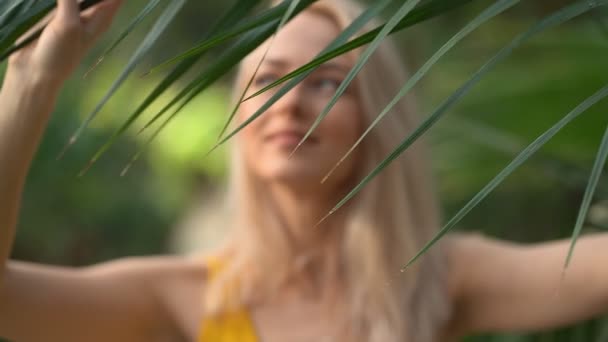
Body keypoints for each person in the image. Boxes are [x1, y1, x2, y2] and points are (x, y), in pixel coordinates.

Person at [1, 0, 608, 341]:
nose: (288, 101)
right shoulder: (181, 294)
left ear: (377, 120)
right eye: (267, 81)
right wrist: (31, 82)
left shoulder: (437, 278)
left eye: (326, 83)